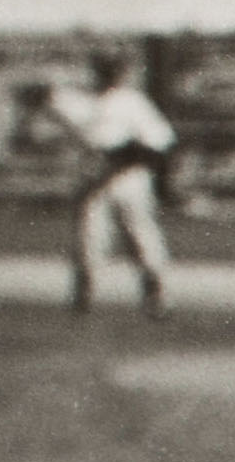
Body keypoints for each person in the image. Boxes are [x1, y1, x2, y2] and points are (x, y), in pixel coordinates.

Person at [48, 52, 176, 318]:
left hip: (127, 177)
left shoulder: (132, 101)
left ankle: (156, 294)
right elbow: (46, 99)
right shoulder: (81, 100)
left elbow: (159, 143)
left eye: (112, 68)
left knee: (140, 236)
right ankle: (84, 298)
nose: (107, 73)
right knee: (89, 238)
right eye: (102, 67)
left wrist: (115, 160)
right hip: (94, 178)